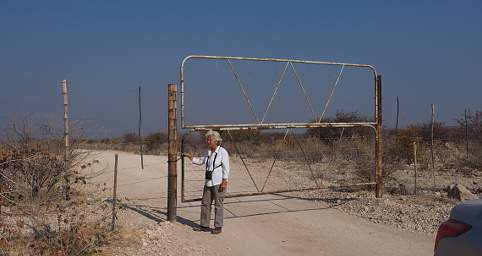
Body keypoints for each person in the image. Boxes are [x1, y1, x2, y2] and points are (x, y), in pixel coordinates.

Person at [183, 130, 230, 235]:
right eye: (207, 139)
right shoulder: (207, 152)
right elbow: (201, 161)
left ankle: (218, 226)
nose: (208, 142)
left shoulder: (223, 152)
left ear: (216, 141)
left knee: (218, 204)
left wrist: (225, 181)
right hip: (208, 182)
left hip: (218, 182)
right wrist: (191, 158)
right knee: (205, 203)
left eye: (210, 140)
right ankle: (204, 225)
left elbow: (226, 168)